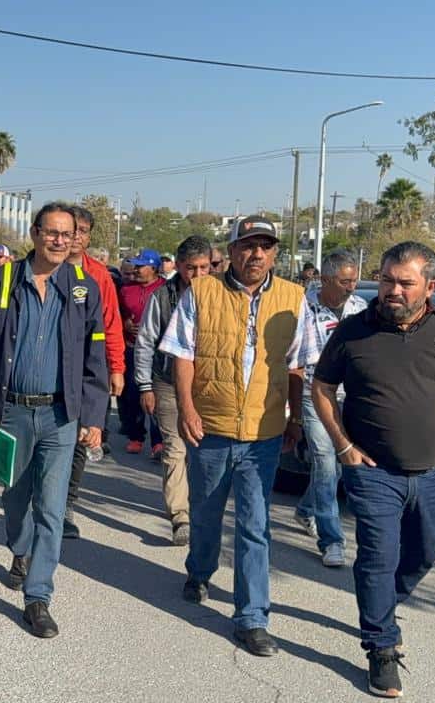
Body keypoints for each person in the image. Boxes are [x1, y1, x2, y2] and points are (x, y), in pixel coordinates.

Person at [312, 241, 435, 698]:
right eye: (386, 279)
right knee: (378, 555)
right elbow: (321, 387)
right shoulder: (354, 331)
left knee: (426, 552)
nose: (391, 290)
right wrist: (342, 446)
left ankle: (381, 600)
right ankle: (381, 646)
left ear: (430, 286)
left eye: (404, 283)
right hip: (373, 471)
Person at [159, 214, 306, 657]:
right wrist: (186, 407)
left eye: (265, 246)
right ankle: (200, 569)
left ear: (275, 252)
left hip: (263, 433)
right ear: (233, 249)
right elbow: (183, 355)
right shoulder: (202, 292)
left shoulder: (294, 299)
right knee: (205, 512)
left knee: (255, 525)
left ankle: (252, 617)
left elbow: (297, 366)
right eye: (247, 245)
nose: (256, 254)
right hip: (211, 428)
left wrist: (296, 419)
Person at [0, 202, 109, 638]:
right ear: (34, 233)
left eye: (67, 234)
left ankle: (38, 596)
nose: (60, 241)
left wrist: (94, 414)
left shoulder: (84, 288)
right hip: (11, 410)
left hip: (61, 416)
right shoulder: (2, 280)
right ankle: (20, 548)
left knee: (52, 506)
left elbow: (94, 356)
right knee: (14, 500)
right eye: (52, 233)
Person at [136, 235, 212, 546]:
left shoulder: (222, 295)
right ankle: (180, 516)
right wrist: (144, 385)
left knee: (205, 450)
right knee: (175, 449)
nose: (197, 275)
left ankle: (204, 510)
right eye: (190, 268)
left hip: (208, 386)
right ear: (178, 266)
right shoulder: (162, 297)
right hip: (167, 382)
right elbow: (145, 342)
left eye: (204, 268)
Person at [292, 249, 367, 567]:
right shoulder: (303, 307)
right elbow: (292, 358)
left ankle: (307, 509)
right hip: (314, 393)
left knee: (338, 466)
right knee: (324, 461)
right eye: (345, 281)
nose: (351, 286)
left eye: (354, 280)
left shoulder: (360, 308)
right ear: (324, 279)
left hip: (349, 396)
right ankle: (332, 539)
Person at [61, 206, 126, 540]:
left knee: (79, 441)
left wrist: (117, 368)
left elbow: (111, 324)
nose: (76, 237)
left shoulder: (99, 276)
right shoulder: (40, 267)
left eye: (83, 231)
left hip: (86, 371)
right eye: (72, 229)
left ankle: (66, 506)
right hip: (47, 370)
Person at [118, 248, 165, 456]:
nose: (135, 270)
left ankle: (158, 441)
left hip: (158, 351)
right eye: (134, 266)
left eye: (140, 266)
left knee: (156, 396)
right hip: (132, 348)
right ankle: (136, 436)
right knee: (133, 394)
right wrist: (125, 324)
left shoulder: (165, 288)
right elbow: (116, 314)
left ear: (153, 268)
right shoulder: (126, 290)